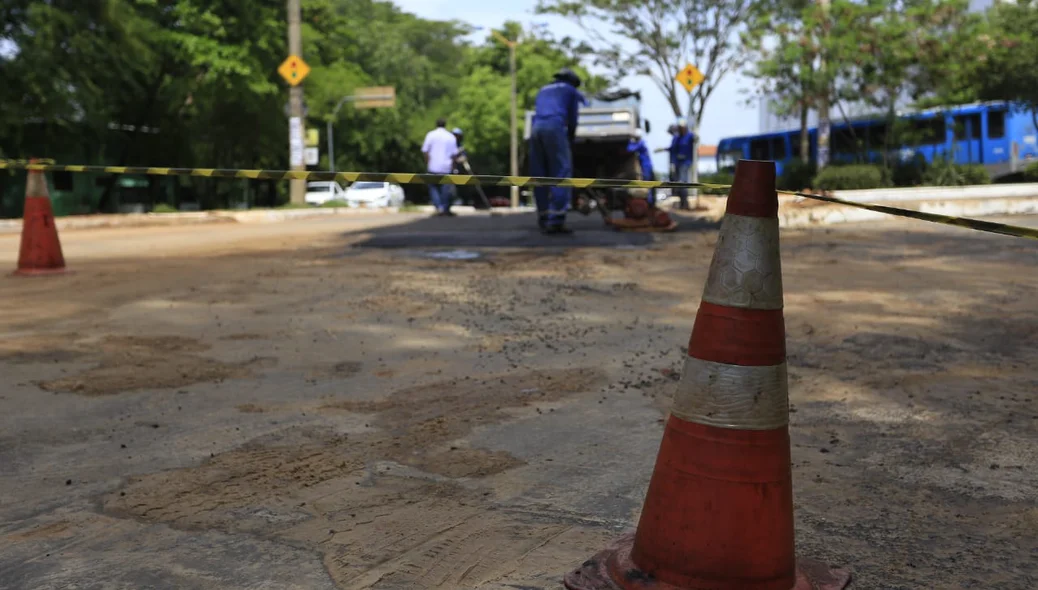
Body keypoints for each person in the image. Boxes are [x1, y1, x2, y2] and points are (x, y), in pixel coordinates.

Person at [528, 67, 586, 235]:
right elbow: (573, 119)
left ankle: (544, 216)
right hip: (554, 127)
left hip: (536, 129)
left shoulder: (543, 89)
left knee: (540, 174)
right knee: (561, 173)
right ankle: (557, 220)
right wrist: (570, 140)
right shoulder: (570, 91)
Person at [421, 118, 459, 216]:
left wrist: (428, 162)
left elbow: (425, 150)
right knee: (445, 189)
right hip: (446, 167)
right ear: (445, 125)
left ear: (436, 124)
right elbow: (454, 154)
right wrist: (454, 167)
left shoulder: (430, 135)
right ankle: (445, 208)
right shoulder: (450, 137)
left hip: (433, 166)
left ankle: (439, 207)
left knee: (433, 188)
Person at [669, 118, 696, 210]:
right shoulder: (676, 138)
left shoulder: (690, 136)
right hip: (677, 163)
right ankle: (682, 202)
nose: (681, 129)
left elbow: (695, 140)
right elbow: (672, 149)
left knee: (682, 181)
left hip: (686, 162)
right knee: (678, 183)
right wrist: (672, 163)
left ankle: (685, 203)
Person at [627, 129, 656, 207]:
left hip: (646, 166)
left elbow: (630, 149)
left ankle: (650, 202)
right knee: (647, 184)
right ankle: (649, 201)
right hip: (645, 166)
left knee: (647, 184)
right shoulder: (640, 142)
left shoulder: (641, 143)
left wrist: (630, 141)